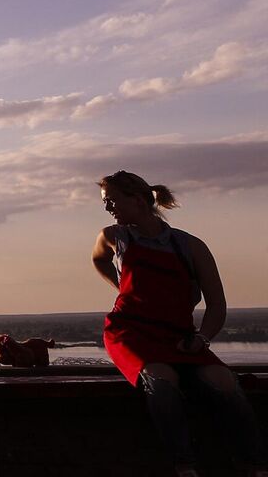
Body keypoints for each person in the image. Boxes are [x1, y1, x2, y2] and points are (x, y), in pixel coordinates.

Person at [91, 170, 267, 477]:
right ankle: (184, 466)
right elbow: (98, 260)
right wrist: (121, 285)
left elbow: (217, 305)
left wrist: (203, 338)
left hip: (179, 335)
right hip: (130, 332)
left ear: (138, 200)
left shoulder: (189, 246)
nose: (108, 209)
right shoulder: (113, 237)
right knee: (161, 381)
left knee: (225, 383)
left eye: (111, 201)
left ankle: (254, 465)